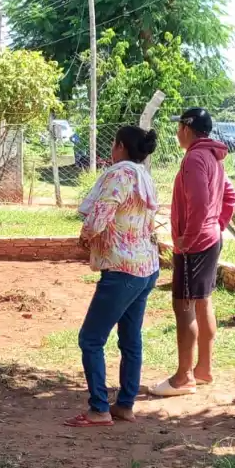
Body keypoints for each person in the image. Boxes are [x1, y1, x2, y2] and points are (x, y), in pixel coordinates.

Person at [64, 126, 161, 428]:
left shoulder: (119, 174)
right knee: (130, 338)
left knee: (91, 339)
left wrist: (84, 239)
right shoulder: (144, 175)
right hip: (146, 266)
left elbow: (99, 216)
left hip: (122, 268)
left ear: (119, 146)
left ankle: (99, 409)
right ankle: (125, 405)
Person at [150, 107, 235, 397]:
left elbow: (199, 202)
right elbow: (230, 196)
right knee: (202, 302)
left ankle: (183, 377)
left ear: (187, 128)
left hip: (196, 244)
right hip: (209, 239)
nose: (177, 133)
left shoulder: (195, 158)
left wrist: (188, 238)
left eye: (179, 127)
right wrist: (217, 224)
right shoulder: (213, 157)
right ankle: (203, 369)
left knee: (184, 306)